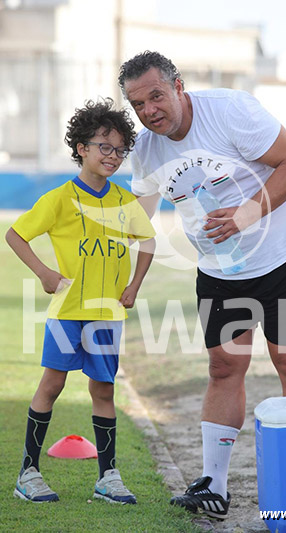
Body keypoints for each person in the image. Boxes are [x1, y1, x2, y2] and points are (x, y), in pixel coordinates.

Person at [118, 51, 286, 519]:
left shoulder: (231, 110)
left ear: (178, 85)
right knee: (222, 367)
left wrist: (245, 214)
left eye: (156, 95)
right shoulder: (147, 150)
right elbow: (139, 223)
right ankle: (213, 484)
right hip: (222, 270)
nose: (150, 110)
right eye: (138, 104)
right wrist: (114, 274)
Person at [6, 98, 155, 504]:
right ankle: (28, 474)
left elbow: (148, 242)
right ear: (81, 149)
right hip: (68, 312)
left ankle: (108, 477)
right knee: (52, 384)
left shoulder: (125, 203)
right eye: (104, 146)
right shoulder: (58, 199)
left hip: (107, 316)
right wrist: (44, 273)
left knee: (104, 390)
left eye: (120, 149)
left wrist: (134, 286)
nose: (112, 155)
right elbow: (15, 235)